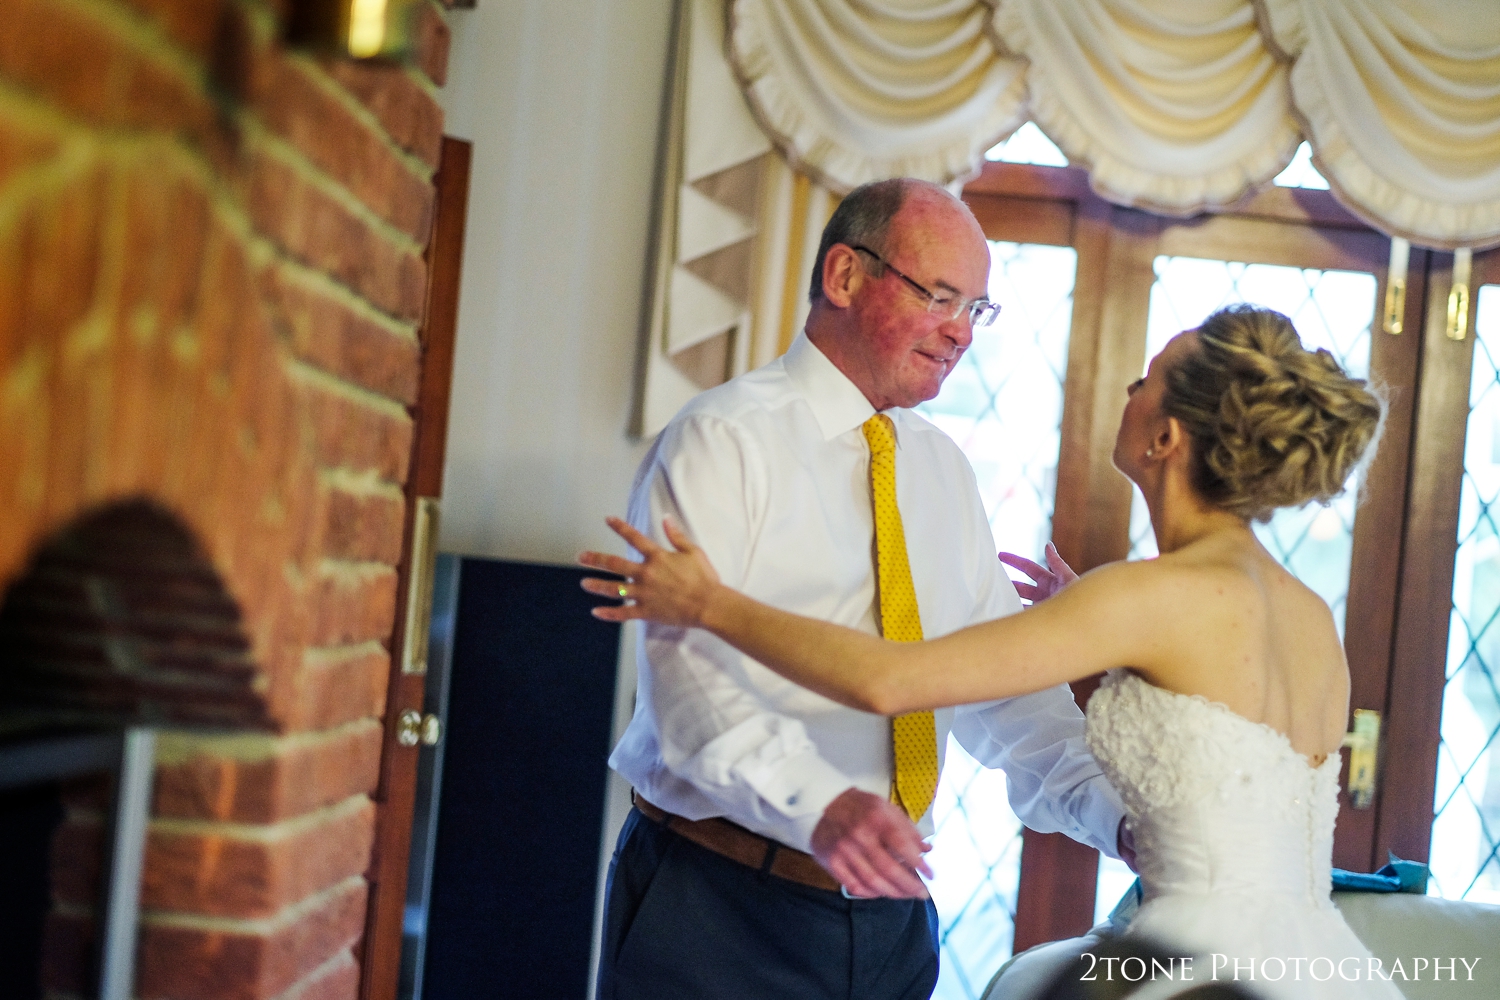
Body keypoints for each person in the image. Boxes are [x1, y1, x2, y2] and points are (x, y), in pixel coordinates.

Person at [582, 304, 1405, 1000]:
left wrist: (710, 603)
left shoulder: (1143, 597)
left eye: (1143, 381)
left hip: (1188, 969)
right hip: (1313, 963)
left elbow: (889, 678)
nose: (1127, 389)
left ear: (1166, 439)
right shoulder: (1303, 613)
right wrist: (1100, 639)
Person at [593, 178, 1130, 1000]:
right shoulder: (720, 440)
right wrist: (822, 808)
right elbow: (691, 695)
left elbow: (1003, 694)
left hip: (893, 924)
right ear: (844, 276)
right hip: (719, 903)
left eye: (976, 310)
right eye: (940, 296)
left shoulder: (943, 470)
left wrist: (1117, 819)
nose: (960, 334)